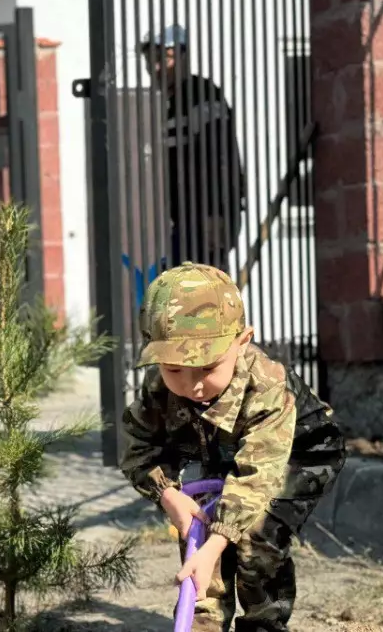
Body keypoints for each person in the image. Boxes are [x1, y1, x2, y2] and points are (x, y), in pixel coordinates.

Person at [120, 262, 345, 632]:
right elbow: (137, 446)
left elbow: (258, 477)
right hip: (226, 450)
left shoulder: (267, 386)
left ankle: (263, 624)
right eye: (174, 368)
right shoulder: (159, 388)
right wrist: (167, 495)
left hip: (298, 454)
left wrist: (218, 543)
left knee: (257, 536)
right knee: (201, 525)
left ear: (242, 342)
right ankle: (202, 621)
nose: (192, 385)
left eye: (206, 368)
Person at [140, 25, 246, 275]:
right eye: (149, 61)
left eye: (162, 59)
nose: (154, 68)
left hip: (205, 220)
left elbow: (221, 156)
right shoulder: (166, 104)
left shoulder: (202, 96)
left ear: (183, 56)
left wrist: (217, 214)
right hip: (182, 222)